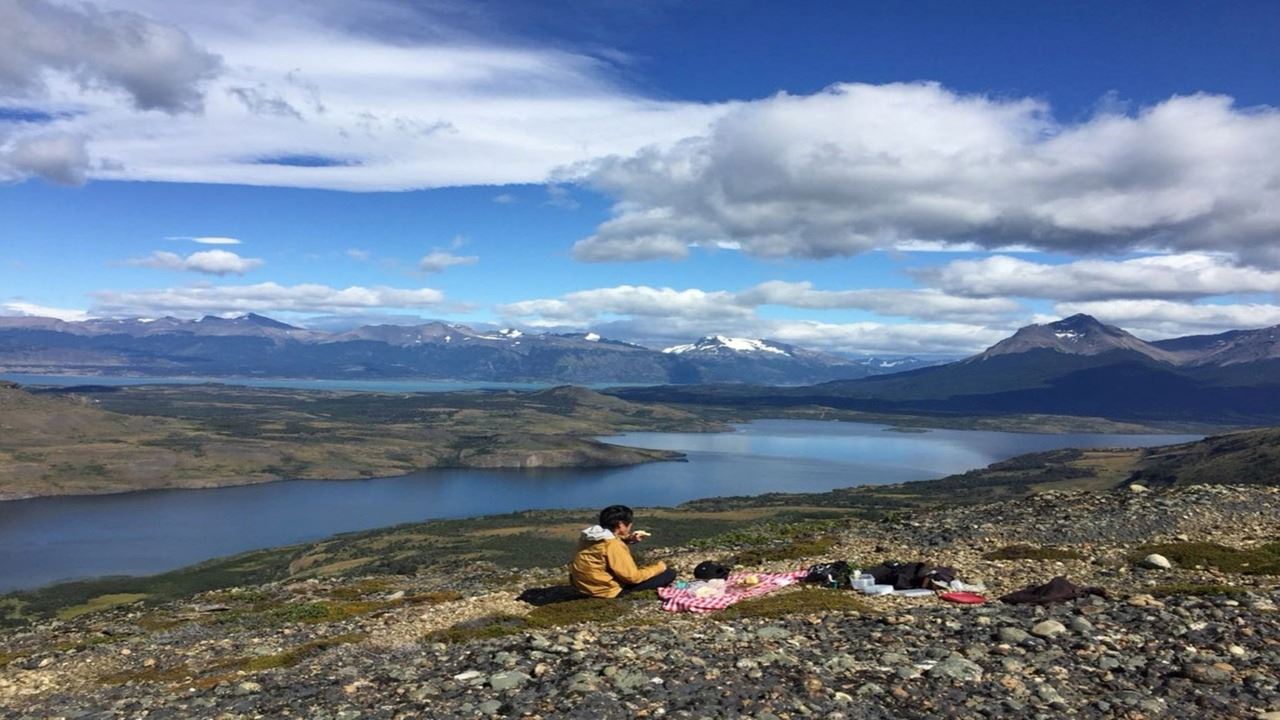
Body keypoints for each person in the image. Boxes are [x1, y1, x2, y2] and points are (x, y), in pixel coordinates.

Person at [570, 504, 676, 598]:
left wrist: (628, 540)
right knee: (669, 573)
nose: (630, 526)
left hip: (583, 586)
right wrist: (659, 568)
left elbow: (603, 548)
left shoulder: (589, 536)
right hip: (605, 591)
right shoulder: (613, 545)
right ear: (621, 524)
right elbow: (632, 578)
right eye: (629, 524)